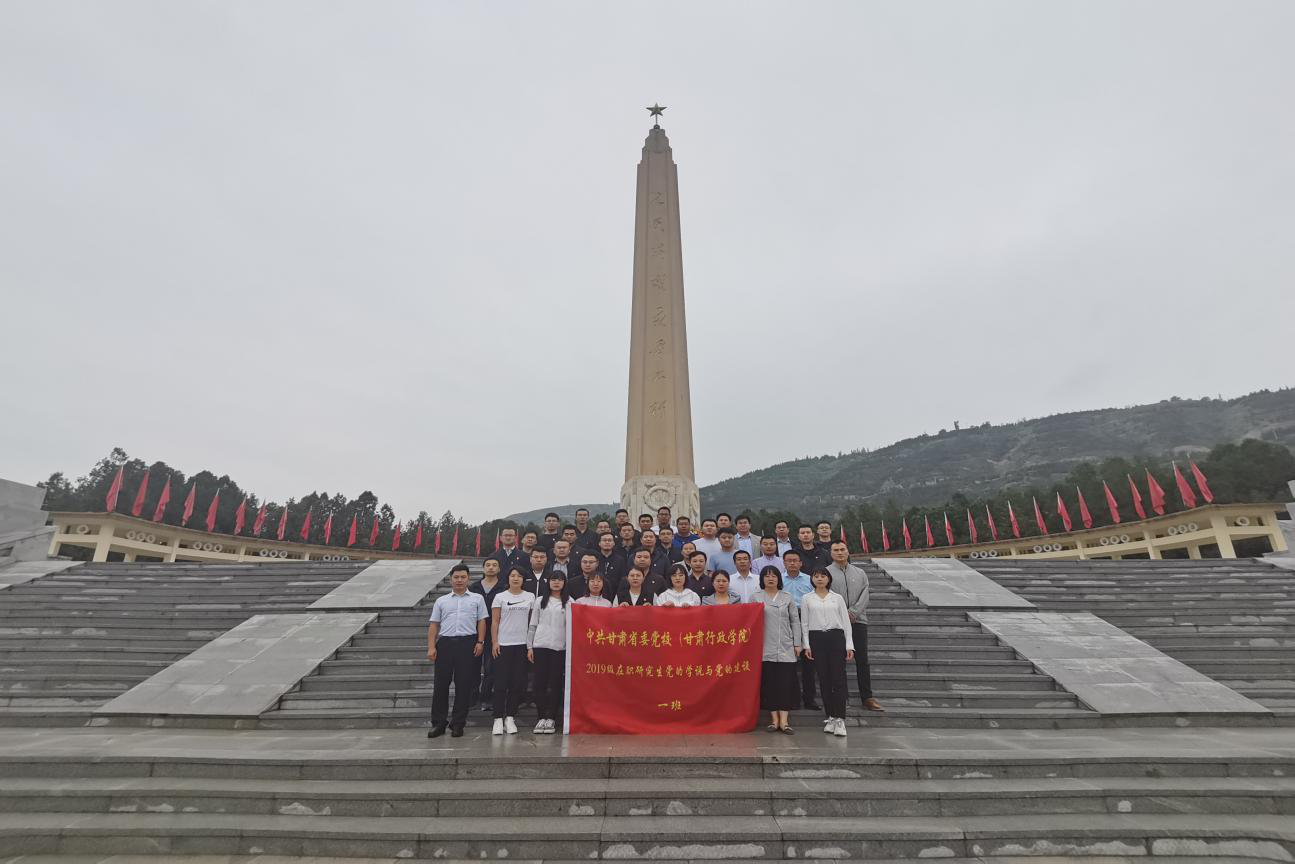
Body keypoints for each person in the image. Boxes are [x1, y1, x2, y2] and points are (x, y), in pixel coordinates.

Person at [426, 564, 487, 738]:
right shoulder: (442, 601)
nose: (459, 580)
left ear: (468, 579)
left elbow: (482, 621)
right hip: (445, 644)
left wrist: (480, 642)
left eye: (463, 577)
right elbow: (434, 624)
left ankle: (458, 723)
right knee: (441, 685)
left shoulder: (477, 599)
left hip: (468, 643)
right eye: (456, 577)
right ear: (450, 579)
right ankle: (438, 723)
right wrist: (431, 647)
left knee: (464, 685)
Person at [827, 540, 883, 712]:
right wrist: (842, 615)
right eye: (836, 550)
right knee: (838, 661)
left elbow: (865, 594)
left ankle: (867, 697)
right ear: (831, 553)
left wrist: (853, 613)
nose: (839, 553)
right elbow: (825, 596)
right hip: (836, 623)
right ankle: (842, 697)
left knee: (862, 660)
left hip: (858, 621)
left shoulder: (860, 573)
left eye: (842, 549)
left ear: (848, 551)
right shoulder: (826, 573)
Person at [801, 568, 853, 737]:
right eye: (816, 576)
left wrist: (849, 645)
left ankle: (840, 719)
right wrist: (806, 645)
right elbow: (804, 624)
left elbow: (846, 623)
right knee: (824, 680)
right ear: (812, 579)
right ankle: (830, 717)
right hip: (816, 639)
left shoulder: (837, 598)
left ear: (828, 579)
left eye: (823, 576)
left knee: (838, 679)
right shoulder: (807, 598)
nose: (819, 579)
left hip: (836, 637)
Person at [490, 567, 535, 735]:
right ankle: (497, 718)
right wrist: (495, 642)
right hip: (503, 644)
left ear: (523, 579)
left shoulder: (530, 597)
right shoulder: (500, 597)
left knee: (517, 683)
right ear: (508, 578)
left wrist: (530, 645)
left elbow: (531, 622)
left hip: (521, 645)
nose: (516, 578)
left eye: (519, 576)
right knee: (501, 683)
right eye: (512, 575)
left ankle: (510, 717)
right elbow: (495, 621)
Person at [758, 565, 802, 734]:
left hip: (786, 646)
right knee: (769, 684)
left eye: (774, 576)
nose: (770, 579)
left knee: (785, 684)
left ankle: (784, 721)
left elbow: (795, 621)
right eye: (767, 576)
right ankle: (774, 720)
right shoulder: (756, 597)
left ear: (779, 578)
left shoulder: (787, 597)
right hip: (765, 646)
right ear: (762, 579)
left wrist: (797, 643)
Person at [527, 570, 569, 734]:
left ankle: (551, 718)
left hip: (560, 647)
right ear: (548, 582)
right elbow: (532, 625)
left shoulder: (569, 602)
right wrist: (529, 646)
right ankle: (541, 717)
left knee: (555, 683)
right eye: (553, 579)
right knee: (540, 683)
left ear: (564, 583)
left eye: (560, 580)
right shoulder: (540, 601)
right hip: (540, 645)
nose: (556, 582)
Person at [781, 548, 818, 710]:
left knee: (809, 661)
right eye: (788, 561)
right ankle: (790, 698)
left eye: (795, 560)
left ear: (801, 563)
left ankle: (810, 699)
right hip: (785, 620)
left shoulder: (809, 580)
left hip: (806, 619)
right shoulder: (778, 579)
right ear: (784, 563)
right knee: (788, 662)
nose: (792, 563)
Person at [469, 558, 506, 711]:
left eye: (494, 565)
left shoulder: (504, 587)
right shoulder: (474, 587)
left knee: (491, 666)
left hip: (495, 630)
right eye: (488, 565)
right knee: (473, 665)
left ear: (499, 569)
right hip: (474, 630)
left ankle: (486, 697)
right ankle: (471, 697)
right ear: (483, 568)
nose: (491, 568)